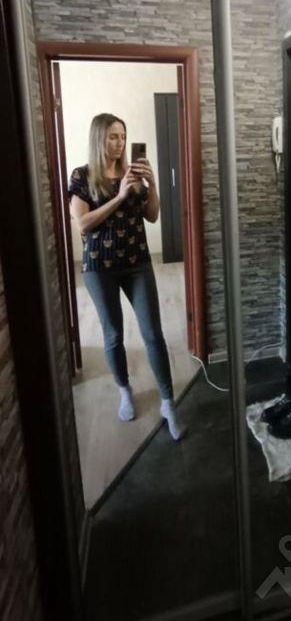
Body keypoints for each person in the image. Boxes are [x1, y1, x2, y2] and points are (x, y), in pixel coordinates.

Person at [68, 112, 185, 441]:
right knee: (113, 335)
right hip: (99, 267)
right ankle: (124, 390)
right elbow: (83, 224)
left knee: (153, 334)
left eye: (122, 136)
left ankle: (168, 403)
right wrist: (119, 196)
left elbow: (152, 216)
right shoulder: (82, 176)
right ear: (99, 138)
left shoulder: (131, 173)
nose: (119, 143)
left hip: (137, 263)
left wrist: (152, 185)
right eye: (112, 137)